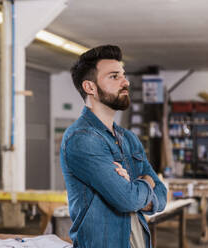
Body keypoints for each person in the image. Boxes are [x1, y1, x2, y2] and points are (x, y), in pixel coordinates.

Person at [60, 45, 167, 248]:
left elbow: (162, 194)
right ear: (90, 87)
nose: (125, 82)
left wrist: (137, 190)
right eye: (114, 76)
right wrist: (145, 182)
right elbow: (127, 200)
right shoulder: (82, 139)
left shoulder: (128, 138)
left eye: (123, 75)